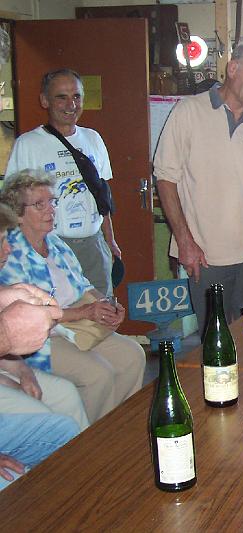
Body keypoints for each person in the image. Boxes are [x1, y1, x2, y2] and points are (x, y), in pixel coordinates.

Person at [0, 170, 145, 423]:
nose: (51, 210)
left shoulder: (56, 243)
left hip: (77, 327)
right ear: (18, 213)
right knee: (98, 374)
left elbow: (83, 285)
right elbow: (28, 315)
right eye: (39, 204)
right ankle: (84, 442)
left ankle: (116, 426)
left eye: (52, 202)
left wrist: (108, 304)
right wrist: (86, 312)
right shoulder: (10, 252)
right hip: (41, 340)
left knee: (133, 355)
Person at [155, 35, 243, 327]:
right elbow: (165, 178)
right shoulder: (188, 112)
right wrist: (185, 242)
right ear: (233, 69)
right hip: (206, 255)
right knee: (216, 340)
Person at [6, 68, 120, 297]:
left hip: (93, 245)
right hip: (51, 245)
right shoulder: (28, 144)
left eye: (76, 96)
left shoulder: (93, 139)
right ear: (45, 100)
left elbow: (102, 196)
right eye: (61, 97)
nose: (71, 104)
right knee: (59, 316)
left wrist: (110, 240)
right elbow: (12, 203)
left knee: (102, 313)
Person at [0, 202, 88, 430]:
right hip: (46, 343)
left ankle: (85, 457)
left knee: (66, 394)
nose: (8, 249)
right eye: (1, 241)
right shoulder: (15, 260)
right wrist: (10, 383)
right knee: (49, 421)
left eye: (52, 202)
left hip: (10, 365)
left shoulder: (56, 244)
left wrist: (24, 373)